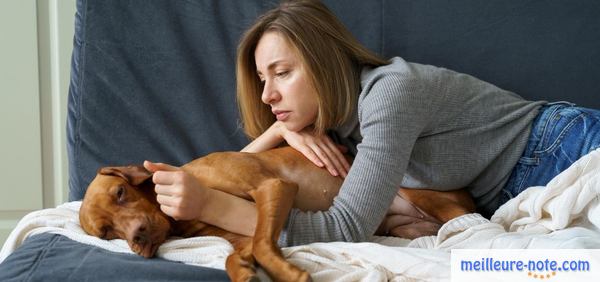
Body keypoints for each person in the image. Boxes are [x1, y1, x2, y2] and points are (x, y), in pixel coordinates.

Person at [144, 0, 600, 247]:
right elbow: (233, 174)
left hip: (562, 146)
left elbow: (346, 228)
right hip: (519, 191)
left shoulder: (389, 94)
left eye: (282, 73)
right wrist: (278, 131)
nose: (267, 95)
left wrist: (213, 208)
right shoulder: (339, 128)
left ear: (325, 61)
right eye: (263, 80)